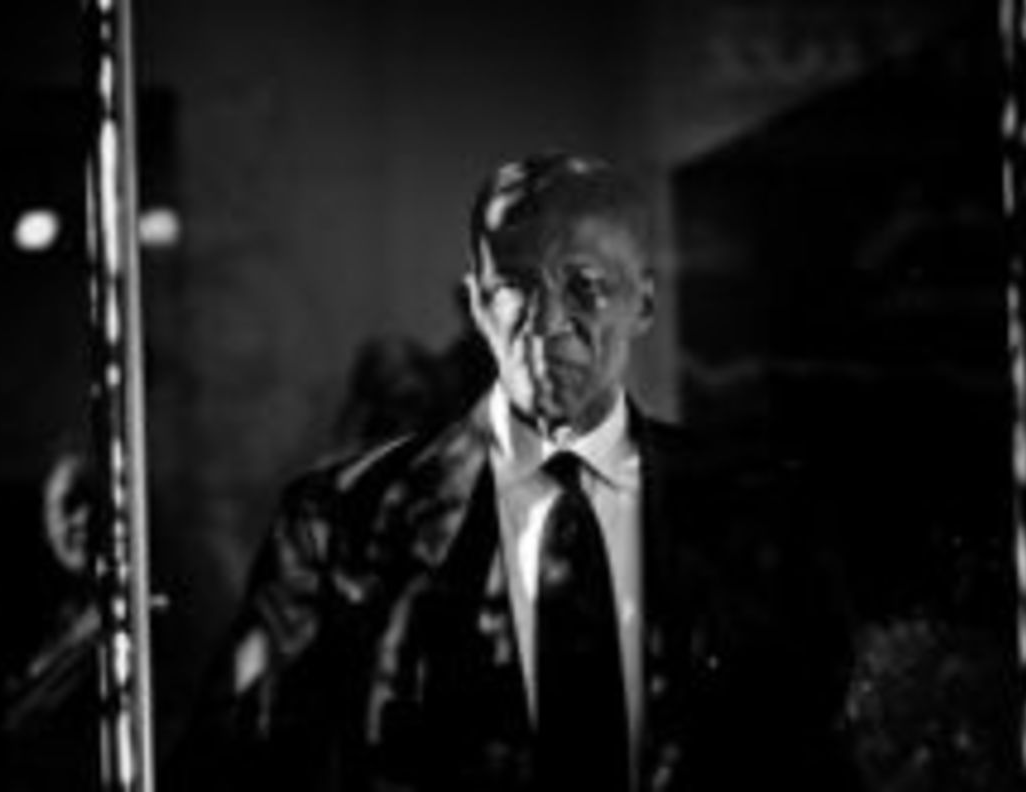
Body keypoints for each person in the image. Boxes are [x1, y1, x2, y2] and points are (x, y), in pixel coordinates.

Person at [182, 152, 861, 792]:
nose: (548, 322)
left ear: (645, 303)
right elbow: (231, 770)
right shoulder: (338, 525)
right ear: (477, 305)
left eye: (586, 285)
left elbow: (818, 758)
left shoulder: (762, 517)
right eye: (515, 286)